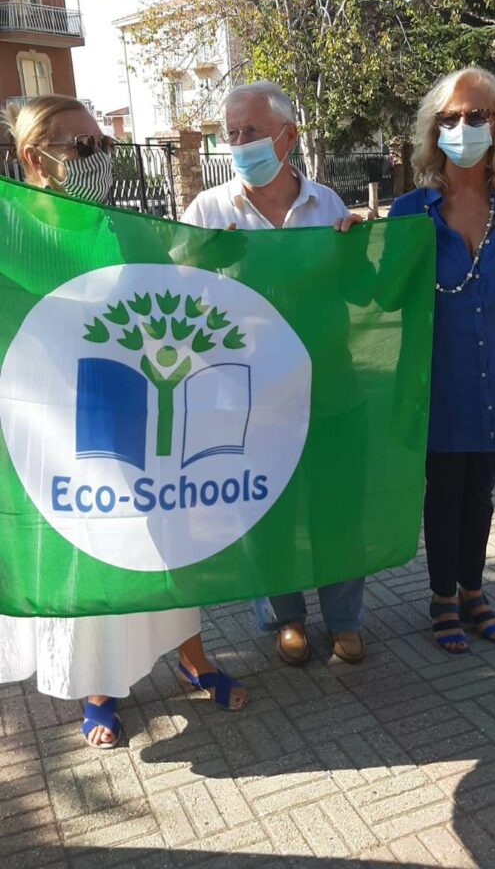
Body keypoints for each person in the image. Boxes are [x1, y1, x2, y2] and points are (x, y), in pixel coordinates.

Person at [0, 95, 247, 751]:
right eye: (83, 146)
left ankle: (191, 657)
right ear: (35, 157)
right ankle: (98, 689)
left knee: (165, 537)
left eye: (104, 144)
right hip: (57, 428)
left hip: (137, 412)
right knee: (88, 548)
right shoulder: (11, 229)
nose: (99, 158)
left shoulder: (124, 227)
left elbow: (176, 291)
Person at [182, 80, 368, 666]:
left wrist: (362, 240)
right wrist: (198, 262)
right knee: (267, 511)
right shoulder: (207, 212)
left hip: (329, 384)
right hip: (249, 396)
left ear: (287, 137)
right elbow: (177, 301)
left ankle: (344, 619)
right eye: (231, 132)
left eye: (252, 132)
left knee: (338, 505)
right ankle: (286, 618)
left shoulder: (327, 204)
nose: (239, 143)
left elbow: (358, 289)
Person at [388, 67, 495, 654]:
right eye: (451, 117)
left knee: (480, 491)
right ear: (434, 129)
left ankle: (474, 591)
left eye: (477, 115)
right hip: (436, 383)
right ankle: (442, 598)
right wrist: (354, 240)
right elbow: (383, 296)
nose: (464, 126)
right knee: (443, 492)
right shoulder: (410, 211)